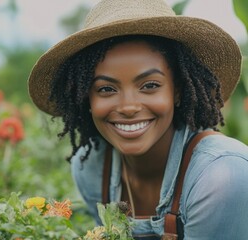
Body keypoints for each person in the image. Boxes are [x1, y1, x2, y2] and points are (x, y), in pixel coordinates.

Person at [28, 0, 248, 239]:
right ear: (86, 99)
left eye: (150, 85)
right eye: (106, 89)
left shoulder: (222, 175)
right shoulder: (91, 168)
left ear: (177, 90)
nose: (128, 107)